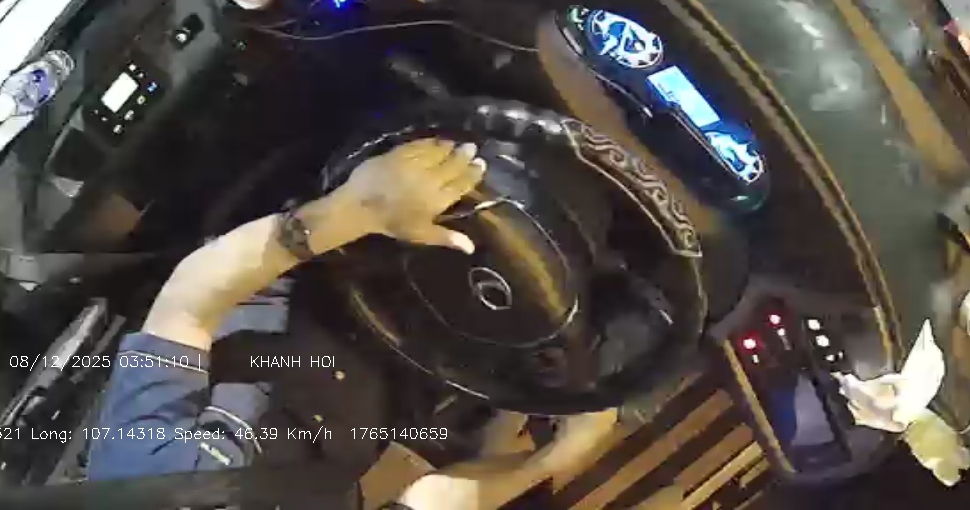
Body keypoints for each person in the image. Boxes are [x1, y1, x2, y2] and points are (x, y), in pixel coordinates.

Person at [84, 138, 619, 509]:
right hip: (422, 357)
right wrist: (558, 454)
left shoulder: (137, 483)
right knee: (582, 228)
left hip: (331, 259)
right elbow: (436, 500)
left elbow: (188, 302)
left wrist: (358, 208)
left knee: (514, 159)